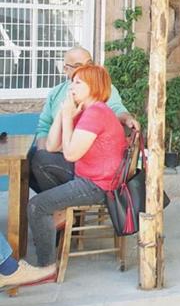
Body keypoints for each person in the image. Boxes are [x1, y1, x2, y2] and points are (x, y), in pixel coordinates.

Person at [27, 65, 129, 271]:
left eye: (77, 83)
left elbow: (71, 154)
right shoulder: (87, 110)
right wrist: (63, 113)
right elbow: (51, 146)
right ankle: (59, 212)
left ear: (93, 86)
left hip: (98, 185)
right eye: (72, 82)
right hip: (88, 175)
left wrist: (67, 117)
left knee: (37, 206)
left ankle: (46, 267)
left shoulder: (96, 113)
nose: (71, 87)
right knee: (37, 160)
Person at [30, 46, 139, 194]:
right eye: (78, 66)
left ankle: (63, 203)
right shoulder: (57, 93)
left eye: (89, 64)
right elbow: (44, 127)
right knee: (31, 160)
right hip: (62, 152)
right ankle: (61, 200)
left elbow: (117, 109)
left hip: (87, 161)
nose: (86, 69)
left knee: (41, 161)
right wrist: (48, 149)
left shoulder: (98, 90)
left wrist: (127, 118)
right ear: (66, 69)